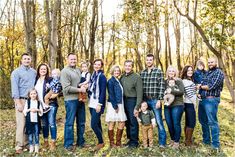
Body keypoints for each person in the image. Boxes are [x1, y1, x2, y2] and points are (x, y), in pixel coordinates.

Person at [11, 53, 37, 154]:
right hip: (21, 100)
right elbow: (14, 89)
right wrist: (18, 103)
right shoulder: (16, 72)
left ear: (30, 60)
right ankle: (18, 145)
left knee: (28, 123)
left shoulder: (33, 72)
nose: (27, 60)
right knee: (21, 123)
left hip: (31, 100)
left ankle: (26, 143)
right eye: (25, 59)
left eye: (28, 59)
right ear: (21, 60)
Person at [60, 53, 87, 151]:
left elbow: (80, 83)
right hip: (70, 100)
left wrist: (84, 86)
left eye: (75, 59)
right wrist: (80, 90)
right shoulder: (64, 71)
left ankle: (81, 142)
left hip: (80, 99)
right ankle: (68, 144)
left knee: (81, 122)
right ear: (67, 60)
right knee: (70, 123)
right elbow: (66, 88)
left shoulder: (78, 70)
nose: (73, 61)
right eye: (71, 59)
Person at [140, 54, 166, 147]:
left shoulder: (158, 71)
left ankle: (162, 143)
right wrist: (142, 102)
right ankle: (146, 142)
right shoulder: (142, 73)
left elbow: (162, 86)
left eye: (150, 60)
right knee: (145, 122)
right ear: (145, 61)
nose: (149, 61)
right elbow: (141, 88)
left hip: (155, 100)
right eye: (147, 60)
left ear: (153, 61)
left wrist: (160, 99)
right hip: (145, 101)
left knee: (158, 121)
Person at [198, 57, 224, 150]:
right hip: (203, 100)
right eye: (208, 62)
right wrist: (200, 93)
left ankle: (215, 144)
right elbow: (203, 84)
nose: (210, 64)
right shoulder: (207, 72)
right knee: (203, 121)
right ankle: (206, 140)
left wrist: (200, 86)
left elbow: (211, 86)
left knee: (212, 122)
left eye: (212, 62)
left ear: (216, 62)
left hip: (211, 100)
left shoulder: (219, 73)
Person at [35, 63, 59, 150]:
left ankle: (53, 142)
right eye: (41, 69)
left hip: (51, 104)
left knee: (51, 122)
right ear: (38, 70)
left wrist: (51, 95)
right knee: (44, 124)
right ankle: (45, 141)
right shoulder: (36, 80)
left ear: (47, 70)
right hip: (41, 105)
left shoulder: (50, 79)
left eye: (44, 69)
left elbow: (58, 88)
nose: (43, 70)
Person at [120, 60, 143, 148]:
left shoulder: (137, 77)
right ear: (124, 66)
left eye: (129, 66)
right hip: (124, 101)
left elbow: (140, 93)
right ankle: (130, 140)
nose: (127, 67)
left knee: (133, 122)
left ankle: (134, 142)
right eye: (126, 65)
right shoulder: (122, 77)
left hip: (132, 101)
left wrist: (137, 107)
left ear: (132, 67)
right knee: (127, 121)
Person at [105, 65, 127, 147]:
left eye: (118, 71)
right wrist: (115, 106)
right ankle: (112, 143)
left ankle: (118, 142)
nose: (117, 72)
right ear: (112, 71)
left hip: (120, 103)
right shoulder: (110, 81)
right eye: (115, 71)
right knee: (112, 122)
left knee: (121, 122)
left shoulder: (118, 80)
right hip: (114, 104)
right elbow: (111, 94)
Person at [88, 59, 107, 151]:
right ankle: (101, 140)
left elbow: (103, 92)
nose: (96, 66)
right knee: (98, 123)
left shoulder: (102, 76)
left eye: (99, 64)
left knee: (93, 124)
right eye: (95, 64)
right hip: (91, 102)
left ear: (101, 66)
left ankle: (101, 142)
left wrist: (100, 104)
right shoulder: (93, 75)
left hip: (97, 103)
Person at [164, 66, 184, 148]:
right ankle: (172, 139)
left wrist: (171, 91)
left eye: (173, 71)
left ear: (175, 72)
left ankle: (176, 141)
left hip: (177, 104)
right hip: (167, 105)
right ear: (167, 72)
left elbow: (182, 92)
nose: (171, 72)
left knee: (176, 123)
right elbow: (163, 91)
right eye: (169, 71)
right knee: (169, 123)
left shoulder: (178, 81)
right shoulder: (165, 81)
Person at [23, 88, 43, 153]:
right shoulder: (28, 102)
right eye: (31, 94)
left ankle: (36, 146)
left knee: (36, 134)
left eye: (34, 93)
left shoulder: (38, 102)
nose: (33, 95)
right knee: (30, 134)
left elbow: (41, 112)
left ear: (36, 94)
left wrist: (37, 110)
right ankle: (31, 146)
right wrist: (30, 109)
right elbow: (24, 111)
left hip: (36, 121)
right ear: (29, 95)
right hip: (29, 121)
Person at [181, 65, 197, 146]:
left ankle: (187, 140)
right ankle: (188, 142)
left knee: (188, 122)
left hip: (187, 103)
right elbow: (190, 95)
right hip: (189, 103)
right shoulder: (186, 81)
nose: (190, 71)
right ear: (185, 72)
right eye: (188, 70)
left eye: (191, 70)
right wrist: (194, 104)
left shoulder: (189, 80)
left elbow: (192, 92)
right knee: (191, 123)